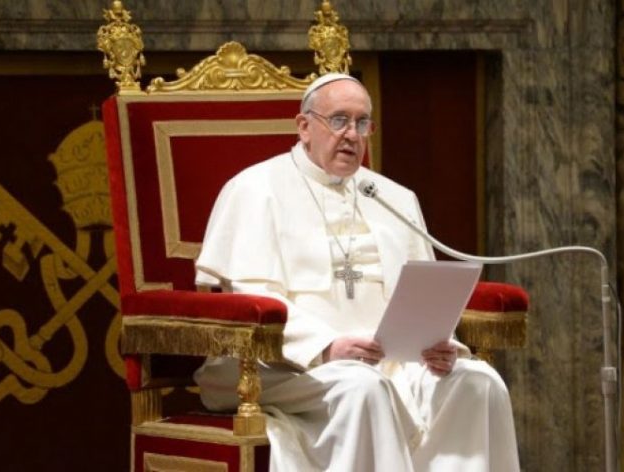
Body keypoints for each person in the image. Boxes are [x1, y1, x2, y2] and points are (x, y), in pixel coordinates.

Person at [194, 73, 520, 472]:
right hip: (282, 367)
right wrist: (327, 347)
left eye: (362, 123)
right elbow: (250, 299)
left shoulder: (392, 197)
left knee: (479, 382)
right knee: (364, 387)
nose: (352, 134)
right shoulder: (255, 189)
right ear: (304, 126)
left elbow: (419, 294)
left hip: (388, 363)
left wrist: (438, 343)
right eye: (339, 120)